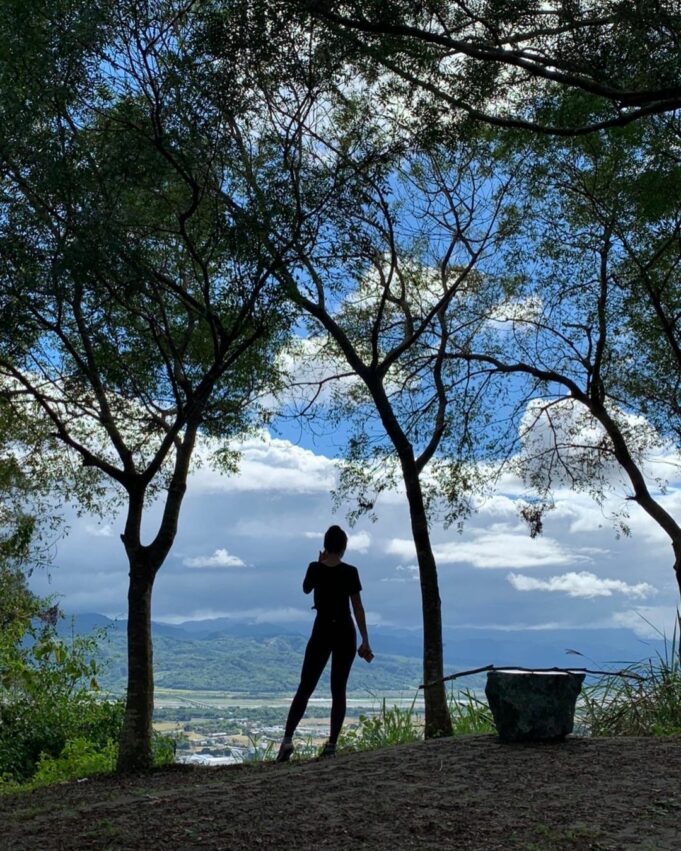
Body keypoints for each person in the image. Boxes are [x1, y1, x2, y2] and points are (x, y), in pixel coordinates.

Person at [276, 524, 373, 762]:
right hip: (345, 631)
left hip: (321, 630)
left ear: (325, 546)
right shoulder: (351, 571)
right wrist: (365, 639)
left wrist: (319, 563)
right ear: (343, 548)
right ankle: (331, 745)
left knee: (305, 686)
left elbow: (306, 589)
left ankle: (287, 740)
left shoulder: (315, 568)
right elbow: (357, 607)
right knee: (338, 690)